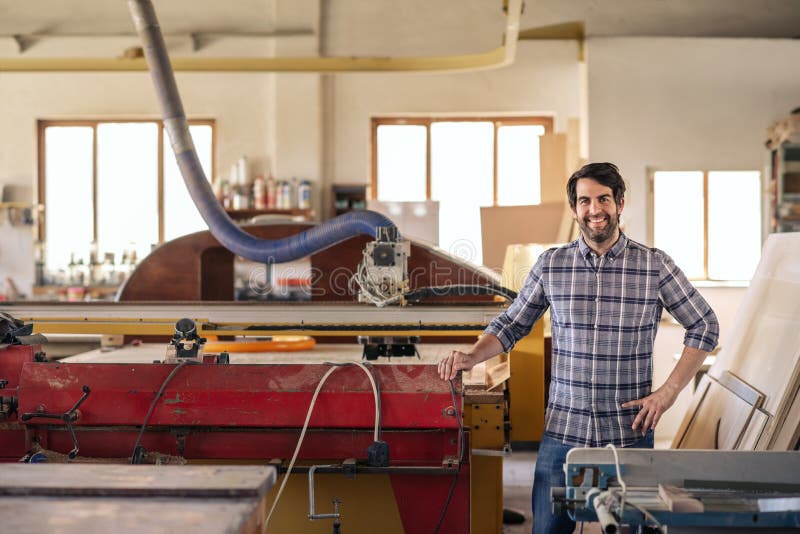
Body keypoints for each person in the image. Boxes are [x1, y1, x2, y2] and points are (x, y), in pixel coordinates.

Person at [438, 162, 719, 533]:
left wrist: (668, 393)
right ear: (574, 209)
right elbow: (513, 323)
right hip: (563, 434)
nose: (594, 209)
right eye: (585, 201)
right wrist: (473, 355)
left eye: (603, 199)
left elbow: (704, 325)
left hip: (628, 435)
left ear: (619, 204)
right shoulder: (552, 265)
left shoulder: (654, 266)